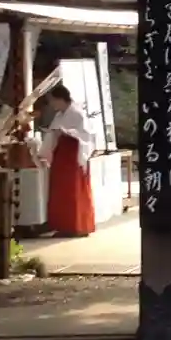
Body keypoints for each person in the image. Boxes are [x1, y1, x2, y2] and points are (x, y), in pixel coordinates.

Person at [40, 84, 98, 237]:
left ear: (60, 99)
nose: (52, 104)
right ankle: (62, 225)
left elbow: (86, 135)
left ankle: (77, 226)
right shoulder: (60, 115)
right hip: (61, 155)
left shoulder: (77, 113)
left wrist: (67, 132)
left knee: (73, 191)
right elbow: (52, 135)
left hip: (73, 155)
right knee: (60, 192)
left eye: (53, 101)